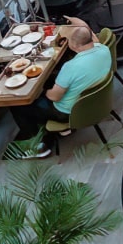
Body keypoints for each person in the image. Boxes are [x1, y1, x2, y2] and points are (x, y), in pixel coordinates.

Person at [9, 17, 111, 158]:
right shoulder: (103, 49)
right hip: (95, 102)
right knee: (53, 79)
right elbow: (89, 33)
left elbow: (54, 97)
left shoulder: (70, 67)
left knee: (19, 105)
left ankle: (37, 147)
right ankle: (61, 131)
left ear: (74, 44)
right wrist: (78, 23)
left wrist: (40, 90)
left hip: (68, 112)